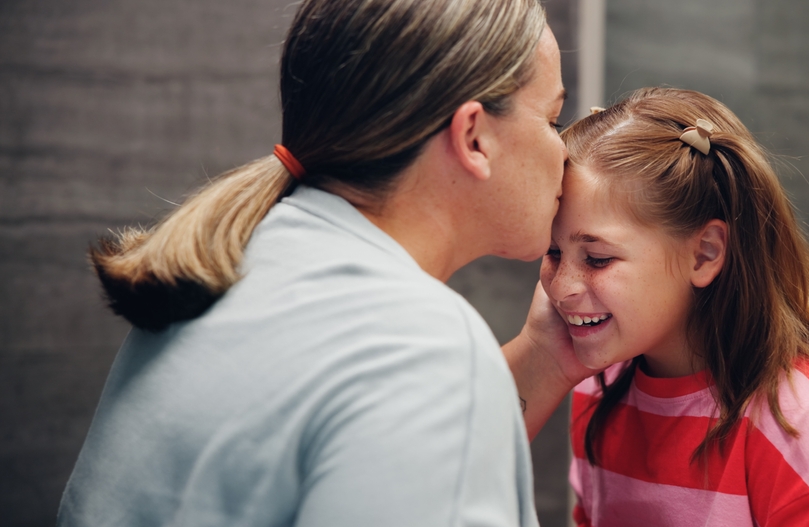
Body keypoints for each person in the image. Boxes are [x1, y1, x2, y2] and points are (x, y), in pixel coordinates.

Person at [59, 1, 582, 525]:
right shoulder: (419, 349)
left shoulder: (230, 260)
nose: (566, 152)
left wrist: (544, 357)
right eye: (553, 118)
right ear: (474, 137)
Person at [542, 88, 809, 526]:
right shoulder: (599, 385)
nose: (561, 288)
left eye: (598, 258)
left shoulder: (805, 424)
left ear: (703, 253)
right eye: (552, 252)